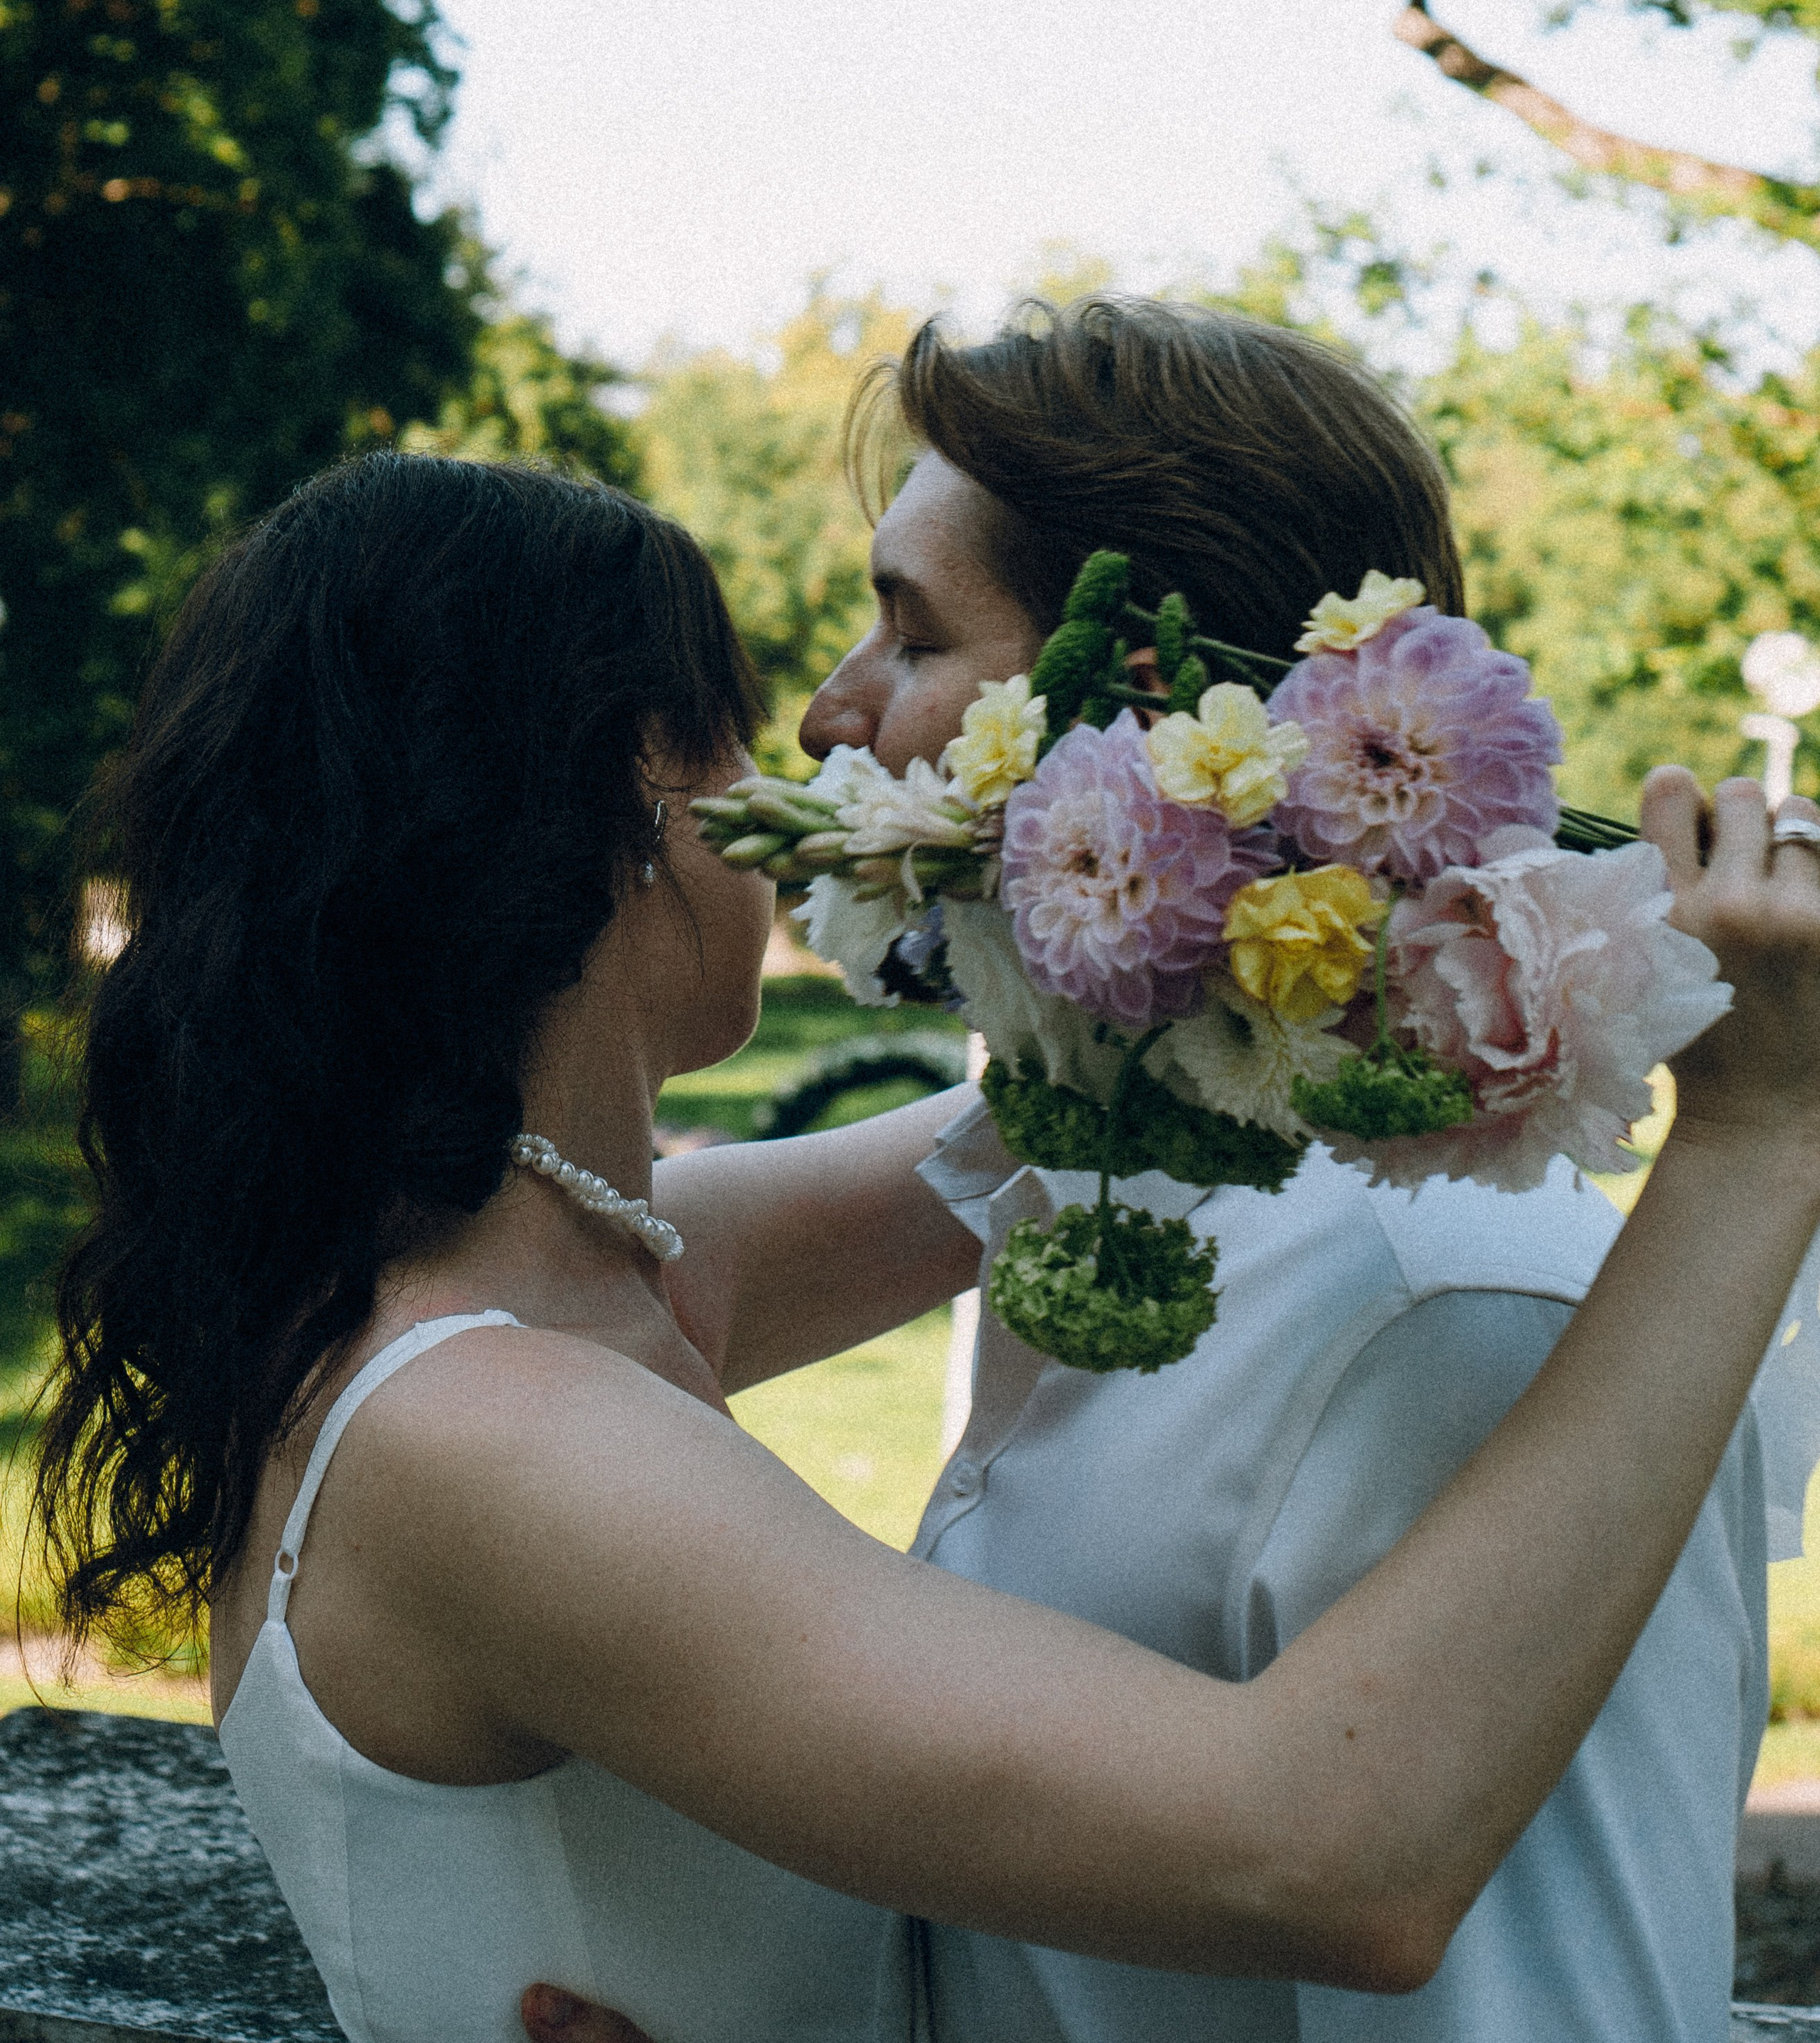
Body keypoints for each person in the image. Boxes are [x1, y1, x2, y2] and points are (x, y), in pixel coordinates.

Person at [30, 447, 1820, 2043]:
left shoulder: (558, 1261)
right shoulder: (488, 1437)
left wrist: (1256, 859)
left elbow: (1080, 1107)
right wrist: (1756, 1139)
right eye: (736, 727)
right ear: (630, 797)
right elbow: (1318, 1853)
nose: (816, 732)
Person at [534, 297, 1800, 2043]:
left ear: (1138, 722)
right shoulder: (1075, 1183)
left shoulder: (1449, 1315)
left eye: (908, 635)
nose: (829, 718)